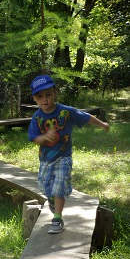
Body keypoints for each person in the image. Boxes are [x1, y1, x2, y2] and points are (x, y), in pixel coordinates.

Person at [28, 75, 110, 234]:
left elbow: (85, 117)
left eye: (48, 94)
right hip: (45, 160)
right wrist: (44, 137)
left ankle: (57, 219)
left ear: (55, 94)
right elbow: (34, 138)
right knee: (45, 187)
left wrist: (101, 124)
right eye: (40, 96)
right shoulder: (37, 117)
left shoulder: (66, 111)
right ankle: (51, 199)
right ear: (34, 99)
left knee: (59, 187)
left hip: (63, 157)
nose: (44, 99)